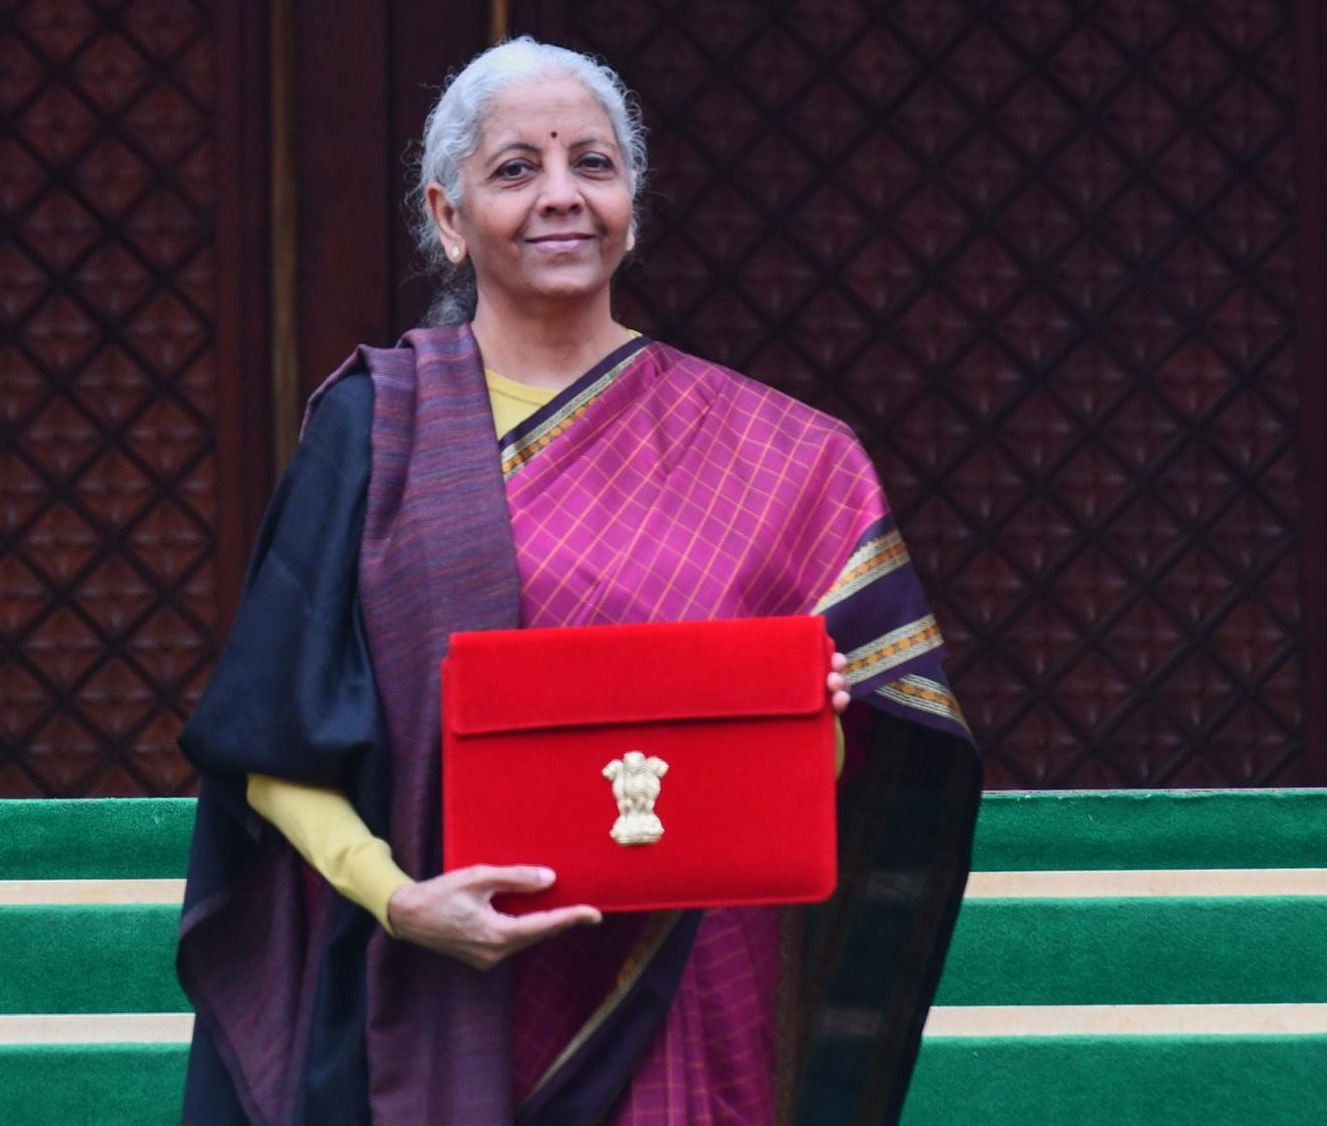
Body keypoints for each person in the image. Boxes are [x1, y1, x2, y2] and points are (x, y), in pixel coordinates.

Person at [177, 37, 981, 1125]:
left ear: (632, 205)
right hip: (444, 993)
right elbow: (267, 736)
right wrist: (400, 899)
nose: (561, 194)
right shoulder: (376, 430)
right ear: (449, 218)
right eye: (516, 168)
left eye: (592, 164)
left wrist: (812, 727)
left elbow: (858, 753)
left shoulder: (785, 459)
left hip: (687, 987)